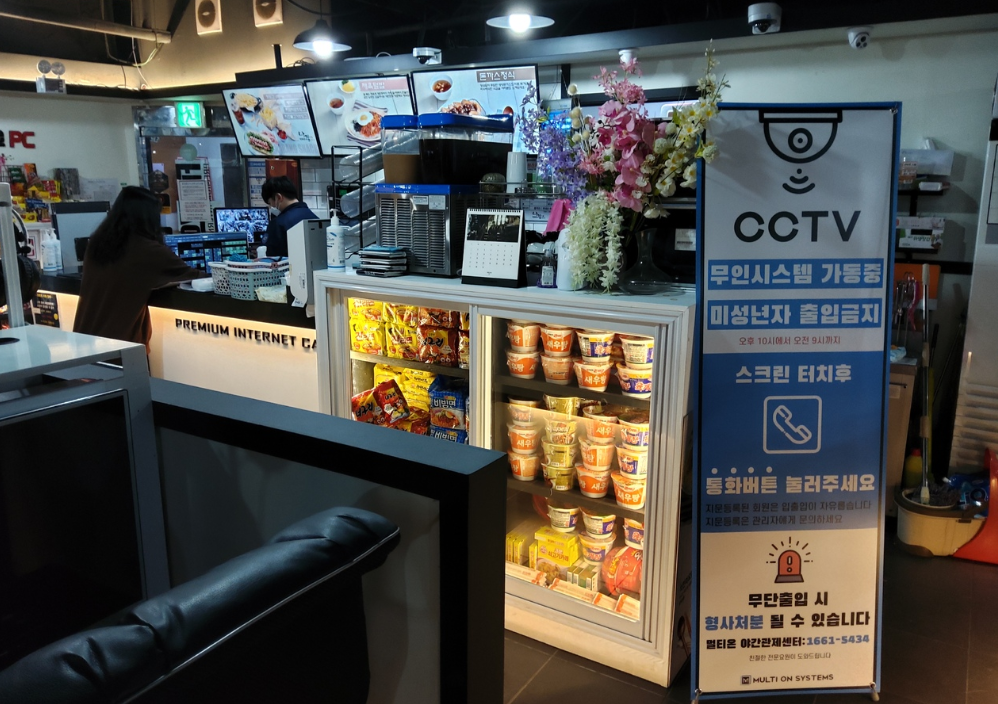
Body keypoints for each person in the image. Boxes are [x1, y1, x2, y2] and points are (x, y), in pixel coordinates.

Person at [74, 186, 206, 350]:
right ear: (149, 217)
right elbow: (199, 278)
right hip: (119, 349)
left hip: (84, 343)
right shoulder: (148, 250)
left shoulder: (97, 243)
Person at [260, 176, 317, 258]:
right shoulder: (315, 218)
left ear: (278, 197)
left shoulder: (278, 224)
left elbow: (269, 256)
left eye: (270, 203)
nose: (271, 207)